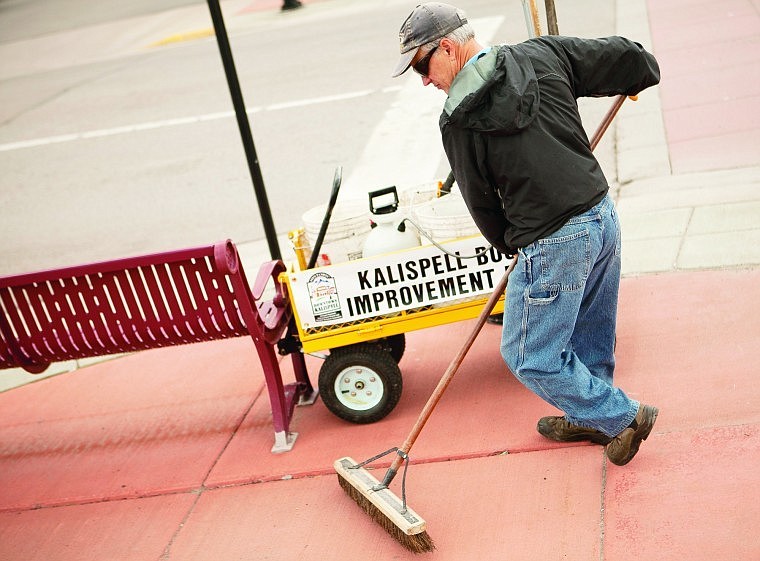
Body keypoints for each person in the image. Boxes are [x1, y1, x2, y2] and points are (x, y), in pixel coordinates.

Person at [392, 3, 660, 466]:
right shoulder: (541, 55)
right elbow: (627, 57)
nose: (424, 80)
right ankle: (590, 415)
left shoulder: (457, 119)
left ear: (449, 47)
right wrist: (640, 71)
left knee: (528, 353)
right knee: (588, 329)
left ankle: (621, 416)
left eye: (421, 65)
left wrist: (515, 245)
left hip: (554, 238)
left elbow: (482, 205)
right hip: (600, 216)